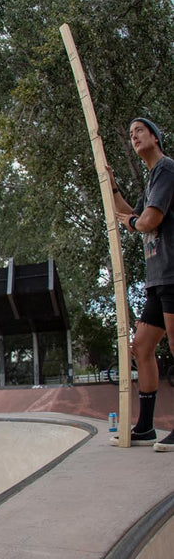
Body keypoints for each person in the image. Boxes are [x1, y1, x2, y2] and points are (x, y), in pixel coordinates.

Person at [108, 116, 174, 450]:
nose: (134, 136)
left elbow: (148, 220)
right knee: (142, 348)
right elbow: (128, 215)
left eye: (140, 131)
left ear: (155, 136)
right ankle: (146, 426)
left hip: (173, 274)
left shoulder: (166, 169)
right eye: (131, 133)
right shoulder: (150, 181)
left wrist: (135, 222)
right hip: (157, 279)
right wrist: (112, 186)